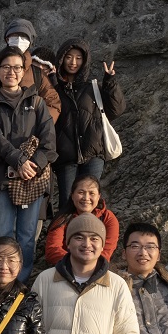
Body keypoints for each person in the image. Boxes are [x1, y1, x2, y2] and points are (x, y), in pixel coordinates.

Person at [0, 46, 58, 281]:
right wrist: (18, 160)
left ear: (24, 71)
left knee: (26, 234)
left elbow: (49, 143)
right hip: (2, 178)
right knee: (1, 232)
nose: (11, 72)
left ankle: (20, 283)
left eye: (16, 67)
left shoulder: (37, 102)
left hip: (33, 178)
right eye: (5, 67)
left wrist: (31, 165)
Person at [52, 38, 125, 210]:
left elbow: (116, 109)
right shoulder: (54, 89)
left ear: (84, 61)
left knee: (90, 203)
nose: (73, 62)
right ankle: (67, 236)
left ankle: (88, 234)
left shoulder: (92, 87)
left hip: (93, 153)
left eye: (78, 58)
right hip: (66, 156)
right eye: (69, 57)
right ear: (61, 59)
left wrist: (110, 81)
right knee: (67, 202)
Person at [44, 175, 120, 264]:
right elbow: (52, 250)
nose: (86, 198)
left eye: (91, 193)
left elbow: (107, 251)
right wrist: (76, 264)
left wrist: (88, 266)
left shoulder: (108, 218)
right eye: (81, 192)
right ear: (72, 195)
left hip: (97, 270)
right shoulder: (63, 218)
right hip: (66, 268)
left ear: (99, 196)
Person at [1, 18, 61, 116]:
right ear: (7, 39)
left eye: (24, 37)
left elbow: (53, 103)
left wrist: (40, 127)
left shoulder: (38, 74)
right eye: (15, 36)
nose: (19, 40)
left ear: (30, 42)